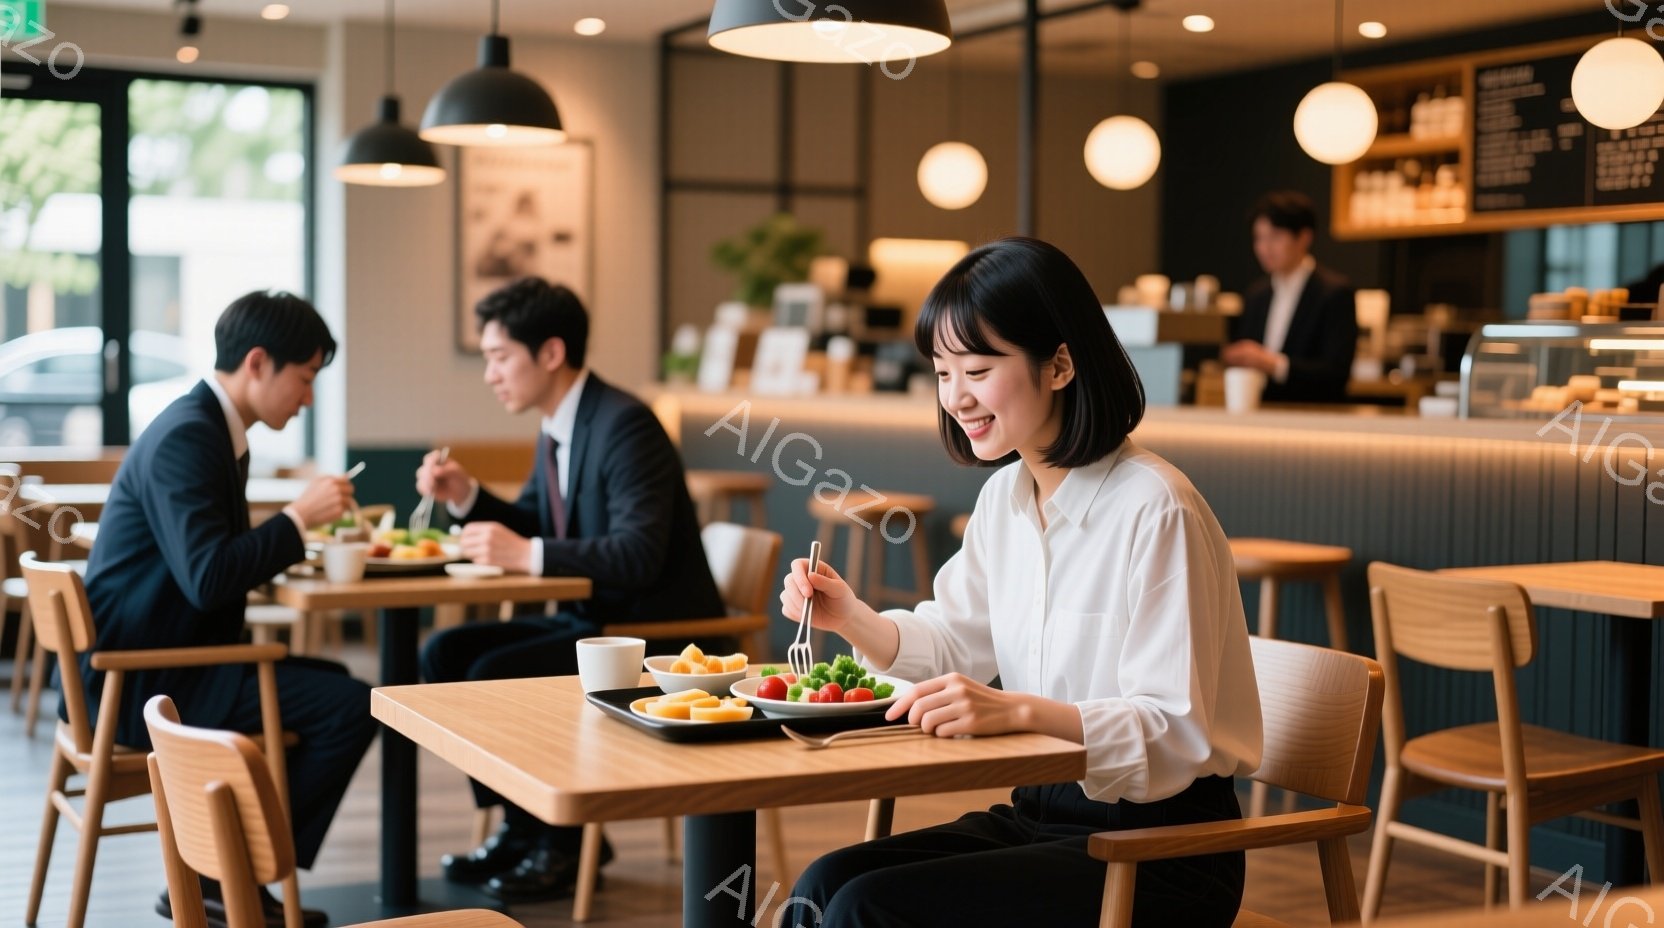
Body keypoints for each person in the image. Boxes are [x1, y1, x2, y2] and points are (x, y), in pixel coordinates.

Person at [777, 238, 1263, 928]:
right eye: (943, 372)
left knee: (869, 908)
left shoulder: (1158, 509)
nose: (957, 397)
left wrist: (1021, 712)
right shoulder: (1007, 499)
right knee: (821, 885)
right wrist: (852, 617)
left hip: (1163, 850)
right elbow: (954, 642)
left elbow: (1175, 732)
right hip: (1041, 813)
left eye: (977, 368)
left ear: (1060, 363)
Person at [415, 277, 724, 902]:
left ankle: (560, 838)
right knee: (443, 655)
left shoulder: (624, 424)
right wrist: (468, 499)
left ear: (550, 353)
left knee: (491, 672)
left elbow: (637, 555)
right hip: (594, 621)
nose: (490, 374)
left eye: (500, 357)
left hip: (653, 637)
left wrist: (525, 554)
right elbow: (537, 519)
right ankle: (524, 825)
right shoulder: (560, 424)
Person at [82, 290, 376, 928]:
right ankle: (228, 874)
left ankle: (224, 873)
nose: (308, 398)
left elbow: (207, 564)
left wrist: (288, 533)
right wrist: (297, 520)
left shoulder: (204, 428)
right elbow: (210, 578)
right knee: (352, 708)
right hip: (143, 683)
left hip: (149, 663)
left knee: (340, 688)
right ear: (258, 362)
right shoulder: (192, 437)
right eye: (305, 378)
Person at [1222, 190, 1359, 403]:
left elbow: (1336, 374)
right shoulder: (1256, 295)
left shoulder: (1334, 293)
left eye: (1275, 237)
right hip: (1259, 411)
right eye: (1259, 238)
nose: (1264, 248)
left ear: (1304, 238)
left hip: (1314, 415)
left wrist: (1273, 364)